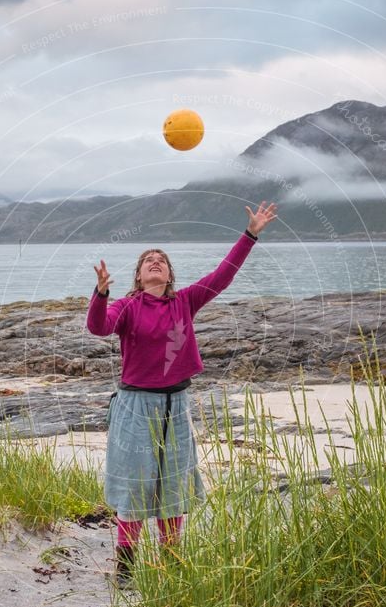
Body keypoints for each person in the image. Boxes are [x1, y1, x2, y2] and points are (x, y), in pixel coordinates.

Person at [87, 201, 278, 585]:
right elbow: (98, 328)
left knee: (173, 485)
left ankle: (171, 563)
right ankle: (125, 569)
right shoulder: (125, 306)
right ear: (139, 277)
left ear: (170, 273)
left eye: (161, 259)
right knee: (135, 486)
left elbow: (223, 276)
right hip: (136, 405)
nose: (155, 261)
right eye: (148, 260)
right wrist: (101, 294)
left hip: (176, 404)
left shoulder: (185, 302)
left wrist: (251, 234)